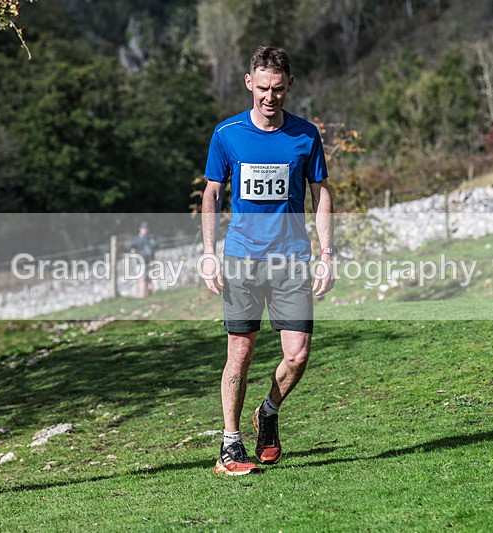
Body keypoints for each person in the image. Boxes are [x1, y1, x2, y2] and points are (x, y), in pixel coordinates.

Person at [201, 46, 335, 476]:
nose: (269, 97)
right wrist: (208, 254)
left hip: (292, 260)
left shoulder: (305, 135)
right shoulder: (227, 134)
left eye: (278, 89)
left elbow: (322, 193)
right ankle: (230, 445)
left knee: (297, 355)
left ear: (289, 85)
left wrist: (327, 254)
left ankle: (268, 411)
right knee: (239, 351)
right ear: (248, 83)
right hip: (241, 258)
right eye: (262, 88)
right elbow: (211, 193)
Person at [129, 221, 158, 298]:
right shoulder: (137, 239)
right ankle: (142, 295)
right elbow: (131, 246)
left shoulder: (151, 237)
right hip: (140, 262)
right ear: (140, 229)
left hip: (150, 261)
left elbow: (156, 245)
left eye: (146, 228)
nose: (144, 230)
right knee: (141, 279)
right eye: (143, 228)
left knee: (149, 278)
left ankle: (151, 294)